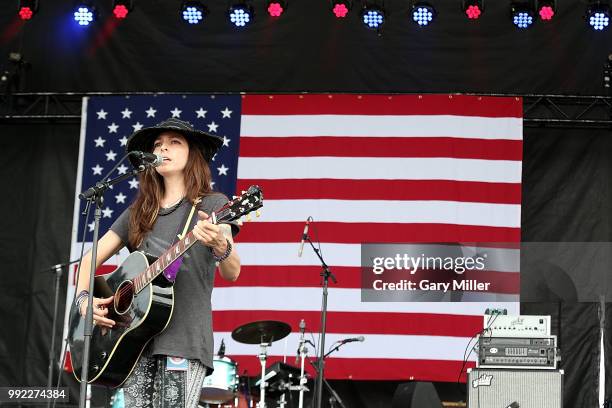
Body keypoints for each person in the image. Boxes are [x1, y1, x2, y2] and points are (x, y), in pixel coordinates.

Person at [74, 118, 241, 408]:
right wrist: (85, 302)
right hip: (134, 343)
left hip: (184, 341)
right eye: (157, 144)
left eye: (174, 142)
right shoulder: (138, 213)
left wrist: (220, 244)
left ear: (193, 154)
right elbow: (87, 263)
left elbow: (233, 271)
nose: (163, 147)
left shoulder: (213, 206)